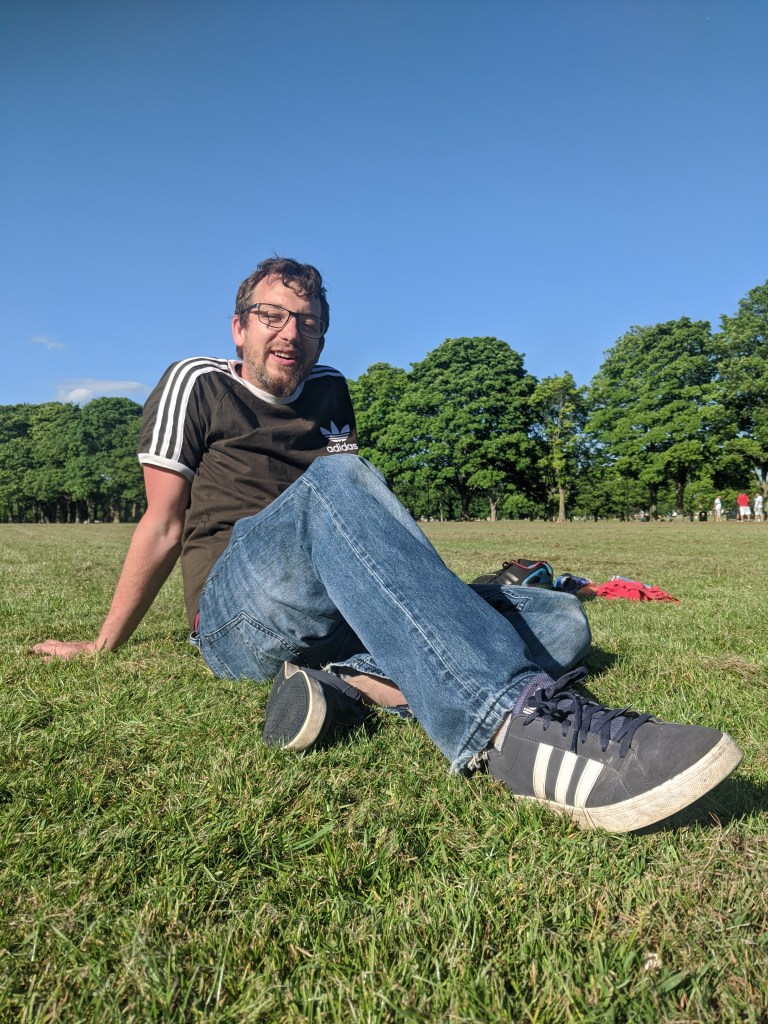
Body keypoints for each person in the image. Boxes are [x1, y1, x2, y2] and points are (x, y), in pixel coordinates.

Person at [33, 257, 742, 833]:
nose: (290, 333)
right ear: (239, 327)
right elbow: (161, 524)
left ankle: (347, 684)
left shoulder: (331, 389)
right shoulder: (197, 384)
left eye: (308, 322)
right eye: (273, 316)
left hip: (331, 609)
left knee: (559, 619)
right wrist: (103, 645)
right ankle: (518, 732)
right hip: (238, 609)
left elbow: (362, 527)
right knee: (336, 480)